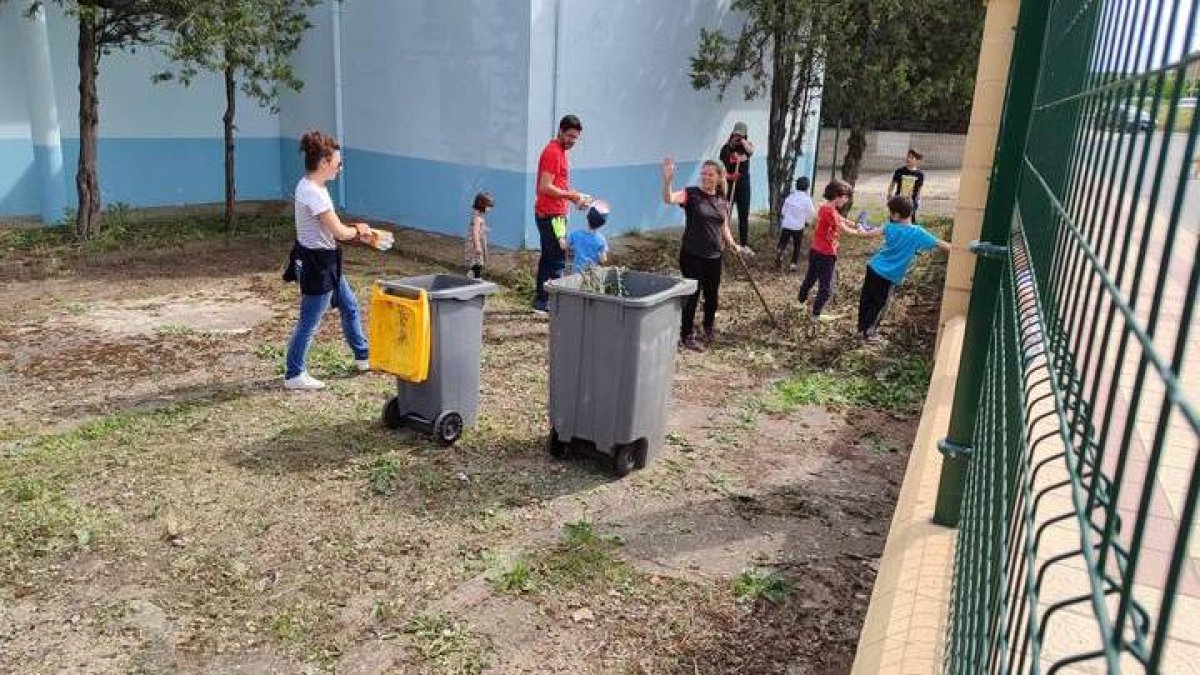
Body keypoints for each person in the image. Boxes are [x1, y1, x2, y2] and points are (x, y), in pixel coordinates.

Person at [282, 130, 372, 391]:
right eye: (338, 162)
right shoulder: (315, 193)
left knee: (350, 305)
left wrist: (355, 230)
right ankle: (294, 374)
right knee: (309, 322)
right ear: (324, 163)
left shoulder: (308, 185)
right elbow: (340, 232)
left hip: (324, 260)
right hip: (318, 265)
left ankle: (363, 355)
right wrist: (360, 231)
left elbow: (332, 230)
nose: (340, 167)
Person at [661, 156, 748, 351]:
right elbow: (668, 199)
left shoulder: (722, 201)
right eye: (703, 173)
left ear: (719, 178)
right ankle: (687, 335)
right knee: (693, 295)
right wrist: (668, 180)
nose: (705, 177)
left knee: (712, 296)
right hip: (692, 255)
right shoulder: (691, 194)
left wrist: (732, 243)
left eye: (710, 174)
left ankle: (708, 327)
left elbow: (723, 226)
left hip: (714, 256)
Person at [857, 195, 950, 342]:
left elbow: (868, 234)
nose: (889, 215)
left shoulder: (889, 226)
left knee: (866, 298)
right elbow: (939, 243)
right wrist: (958, 250)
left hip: (874, 267)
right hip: (888, 275)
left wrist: (860, 228)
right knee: (879, 304)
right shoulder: (917, 233)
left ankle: (861, 327)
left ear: (896, 215)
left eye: (890, 212)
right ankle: (869, 332)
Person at [533, 114, 591, 315]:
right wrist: (572, 196)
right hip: (551, 215)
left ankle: (542, 301)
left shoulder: (560, 152)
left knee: (549, 257)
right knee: (557, 259)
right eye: (569, 136)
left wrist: (576, 197)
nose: (572, 141)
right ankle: (548, 302)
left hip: (555, 213)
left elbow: (559, 185)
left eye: (576, 137)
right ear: (560, 131)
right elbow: (545, 187)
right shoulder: (553, 153)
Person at [796, 179, 871, 321]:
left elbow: (841, 219)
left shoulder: (825, 207)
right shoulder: (831, 212)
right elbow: (845, 229)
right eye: (846, 197)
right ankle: (816, 315)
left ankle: (799, 303)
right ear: (838, 196)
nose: (847, 200)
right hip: (826, 254)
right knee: (826, 288)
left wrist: (856, 224)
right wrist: (863, 233)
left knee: (810, 279)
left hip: (815, 250)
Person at [719, 121, 755, 248]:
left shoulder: (747, 146)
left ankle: (744, 245)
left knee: (743, 215)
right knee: (726, 214)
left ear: (745, 135)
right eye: (736, 134)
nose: (738, 137)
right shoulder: (726, 148)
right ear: (733, 133)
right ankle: (722, 241)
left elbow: (750, 151)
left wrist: (744, 144)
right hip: (729, 184)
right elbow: (723, 160)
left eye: (741, 135)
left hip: (744, 186)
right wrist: (731, 156)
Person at [776, 176, 815, 271]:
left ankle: (780, 253)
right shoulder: (807, 199)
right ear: (807, 187)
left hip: (787, 225)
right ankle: (793, 264)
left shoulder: (790, 197)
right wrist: (807, 222)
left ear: (796, 186)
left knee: (783, 242)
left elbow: (783, 211)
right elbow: (812, 213)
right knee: (797, 245)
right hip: (798, 227)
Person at [565, 205, 609, 273]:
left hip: (576, 272)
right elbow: (603, 259)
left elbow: (565, 246)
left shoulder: (575, 234)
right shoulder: (601, 239)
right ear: (602, 224)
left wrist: (560, 236)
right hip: (592, 273)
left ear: (587, 217)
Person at [888, 148, 925, 219]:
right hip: (898, 200)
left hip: (910, 202)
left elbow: (919, 189)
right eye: (908, 156)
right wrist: (889, 194)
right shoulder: (899, 171)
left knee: (909, 221)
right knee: (895, 220)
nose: (908, 159)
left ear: (917, 160)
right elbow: (892, 184)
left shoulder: (920, 174)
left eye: (912, 157)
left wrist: (917, 200)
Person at [466, 191, 493, 279]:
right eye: (488, 206)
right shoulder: (478, 218)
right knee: (477, 262)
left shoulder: (478, 216)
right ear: (482, 205)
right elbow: (475, 232)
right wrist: (477, 246)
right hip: (475, 244)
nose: (490, 209)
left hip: (476, 243)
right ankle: (475, 277)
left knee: (477, 262)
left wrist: (485, 229)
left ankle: (473, 274)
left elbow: (477, 228)